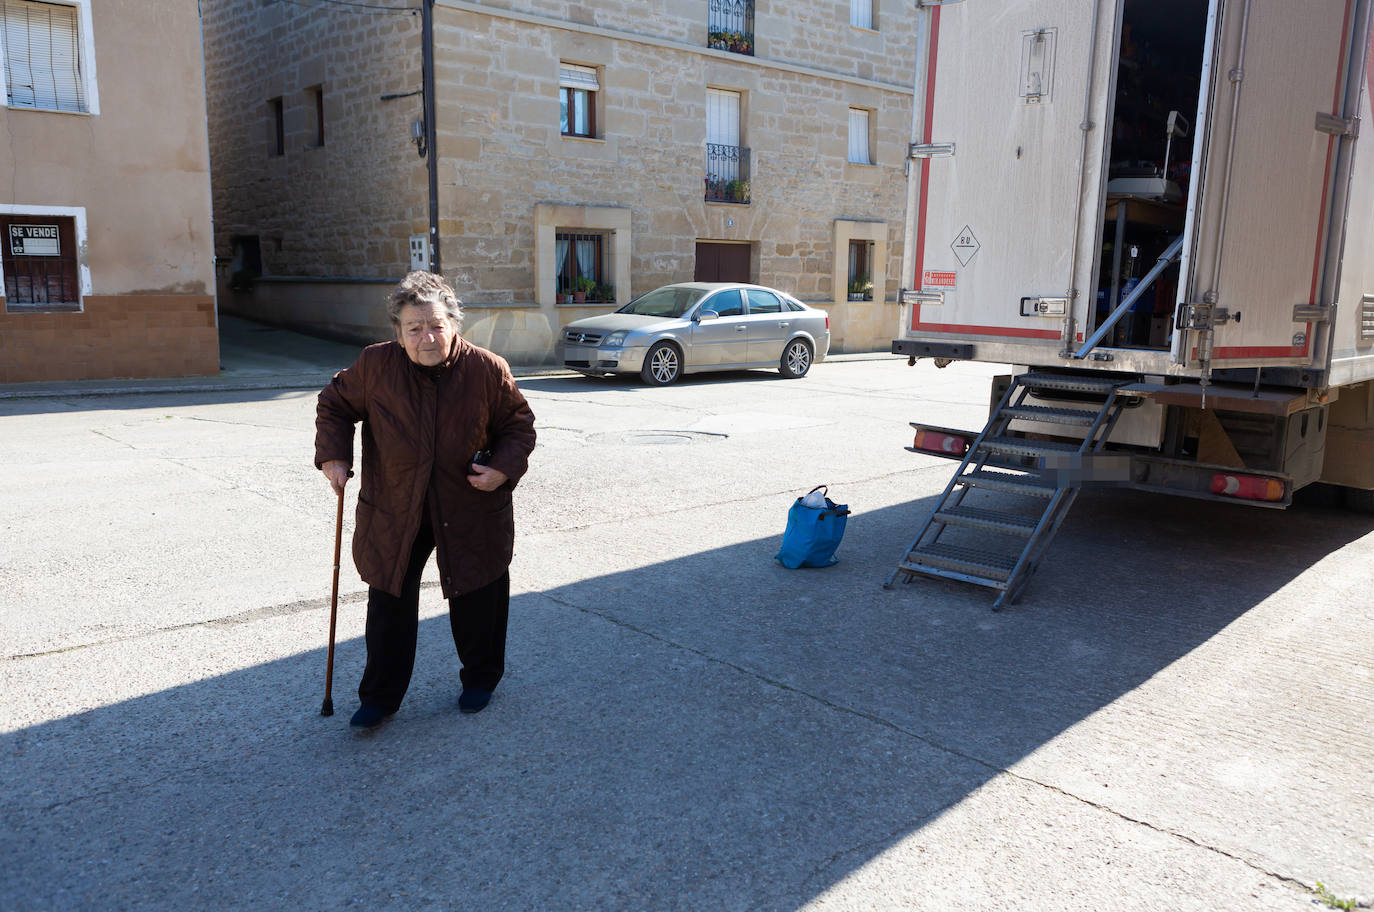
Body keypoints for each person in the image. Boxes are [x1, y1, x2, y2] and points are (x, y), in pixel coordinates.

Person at [315, 271, 536, 730]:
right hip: (398, 503)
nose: (427, 337)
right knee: (390, 598)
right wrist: (334, 456)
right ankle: (379, 697)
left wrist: (502, 469)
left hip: (470, 502)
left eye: (436, 325)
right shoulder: (376, 366)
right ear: (397, 334)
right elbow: (335, 403)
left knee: (479, 591)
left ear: (454, 323)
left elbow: (518, 425)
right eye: (414, 329)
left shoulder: (487, 369)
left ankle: (480, 679)